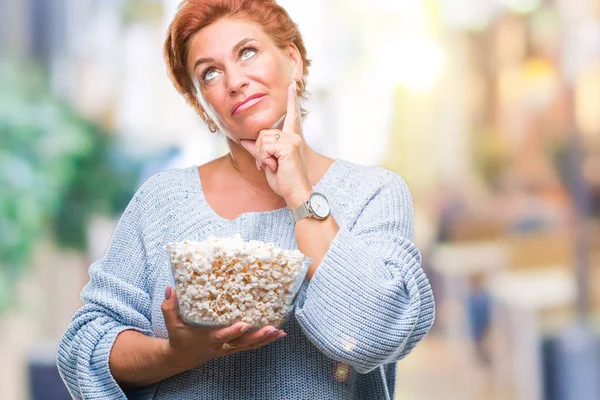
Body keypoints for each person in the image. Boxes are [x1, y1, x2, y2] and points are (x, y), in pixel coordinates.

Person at [56, 0, 435, 398]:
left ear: (293, 60)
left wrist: (297, 193)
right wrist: (175, 354)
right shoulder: (162, 202)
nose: (234, 80)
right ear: (202, 106)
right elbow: (85, 345)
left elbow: (377, 331)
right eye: (210, 73)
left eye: (248, 52)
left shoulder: (372, 193)